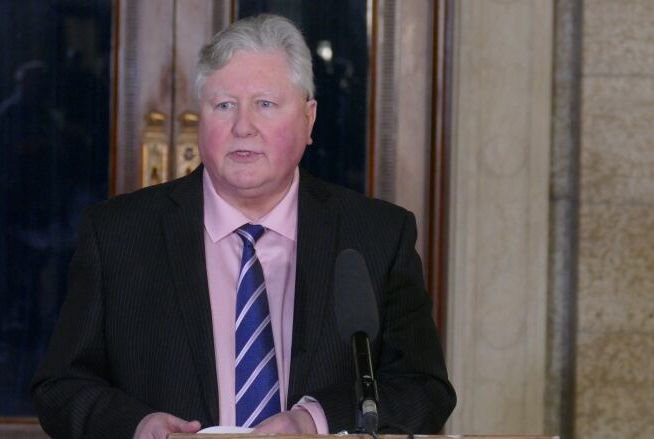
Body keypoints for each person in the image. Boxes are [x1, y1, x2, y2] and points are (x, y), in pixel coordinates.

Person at [31, 14, 455, 439]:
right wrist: (138, 426)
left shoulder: (377, 236)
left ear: (308, 120)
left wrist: (315, 421)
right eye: (224, 105)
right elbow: (61, 387)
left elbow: (424, 389)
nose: (242, 127)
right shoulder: (119, 235)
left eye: (265, 105)